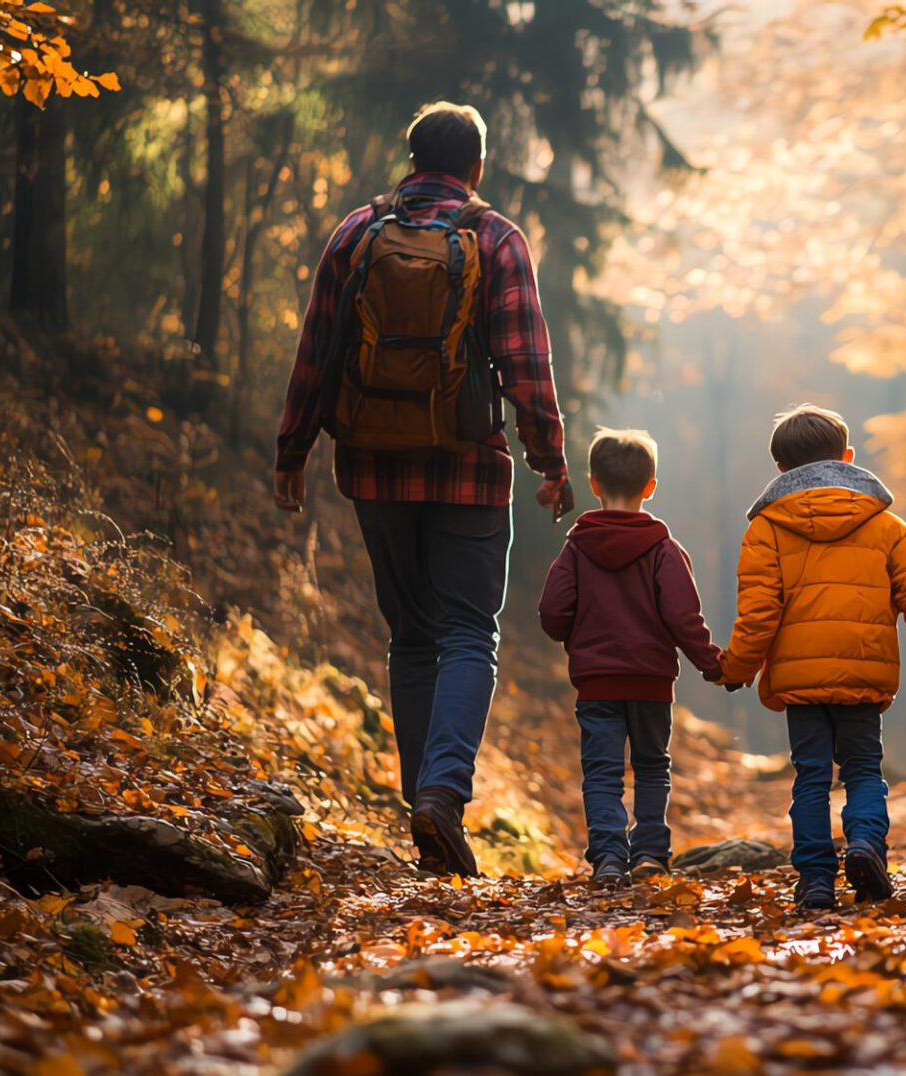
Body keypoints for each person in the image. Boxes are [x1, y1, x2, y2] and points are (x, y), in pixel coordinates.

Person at [274, 101, 572, 877]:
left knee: (410, 636)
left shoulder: (356, 234)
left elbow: (317, 350)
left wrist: (292, 451)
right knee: (469, 634)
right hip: (470, 470)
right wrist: (551, 458)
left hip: (373, 464)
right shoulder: (495, 237)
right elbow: (526, 361)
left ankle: (422, 811)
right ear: (476, 166)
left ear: (411, 160)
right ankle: (442, 793)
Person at [717, 405, 906, 910]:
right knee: (864, 769)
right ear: (846, 457)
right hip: (864, 671)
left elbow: (758, 612)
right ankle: (866, 846)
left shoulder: (766, 530)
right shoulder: (886, 525)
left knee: (812, 776)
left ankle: (816, 880)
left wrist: (736, 668)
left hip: (800, 681)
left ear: (781, 470)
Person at [537, 429, 723, 888]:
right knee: (652, 765)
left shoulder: (577, 547)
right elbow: (683, 617)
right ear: (650, 486)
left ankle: (608, 857)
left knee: (601, 771)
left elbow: (553, 611)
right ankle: (650, 854)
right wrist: (714, 664)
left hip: (597, 682)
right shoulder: (663, 550)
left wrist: (574, 635)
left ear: (594, 484)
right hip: (651, 682)